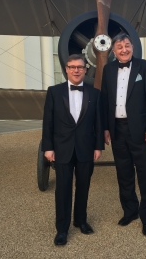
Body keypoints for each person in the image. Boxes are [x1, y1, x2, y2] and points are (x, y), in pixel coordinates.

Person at [101, 33, 146, 236]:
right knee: (124, 174)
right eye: (119, 47)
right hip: (117, 130)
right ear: (113, 51)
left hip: (141, 130)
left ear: (132, 47)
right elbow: (105, 100)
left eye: (127, 45)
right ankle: (130, 211)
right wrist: (105, 128)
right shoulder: (108, 70)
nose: (123, 49)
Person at [42, 54, 104, 246]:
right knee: (63, 189)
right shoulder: (54, 92)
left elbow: (99, 123)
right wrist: (48, 147)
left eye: (80, 67)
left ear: (86, 70)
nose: (76, 70)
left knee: (83, 187)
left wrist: (98, 146)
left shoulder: (95, 94)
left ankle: (81, 220)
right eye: (72, 67)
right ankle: (62, 229)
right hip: (62, 149)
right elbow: (48, 122)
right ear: (66, 69)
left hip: (86, 148)